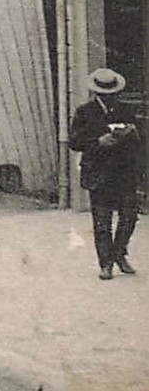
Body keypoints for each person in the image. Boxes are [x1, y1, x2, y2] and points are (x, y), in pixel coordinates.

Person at [69, 67, 143, 280]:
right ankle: (106, 263)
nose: (110, 99)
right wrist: (97, 142)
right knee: (102, 220)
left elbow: (138, 140)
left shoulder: (126, 110)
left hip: (124, 171)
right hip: (98, 172)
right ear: (96, 93)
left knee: (129, 215)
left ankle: (119, 252)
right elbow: (74, 142)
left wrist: (131, 133)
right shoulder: (84, 112)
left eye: (113, 95)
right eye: (105, 95)